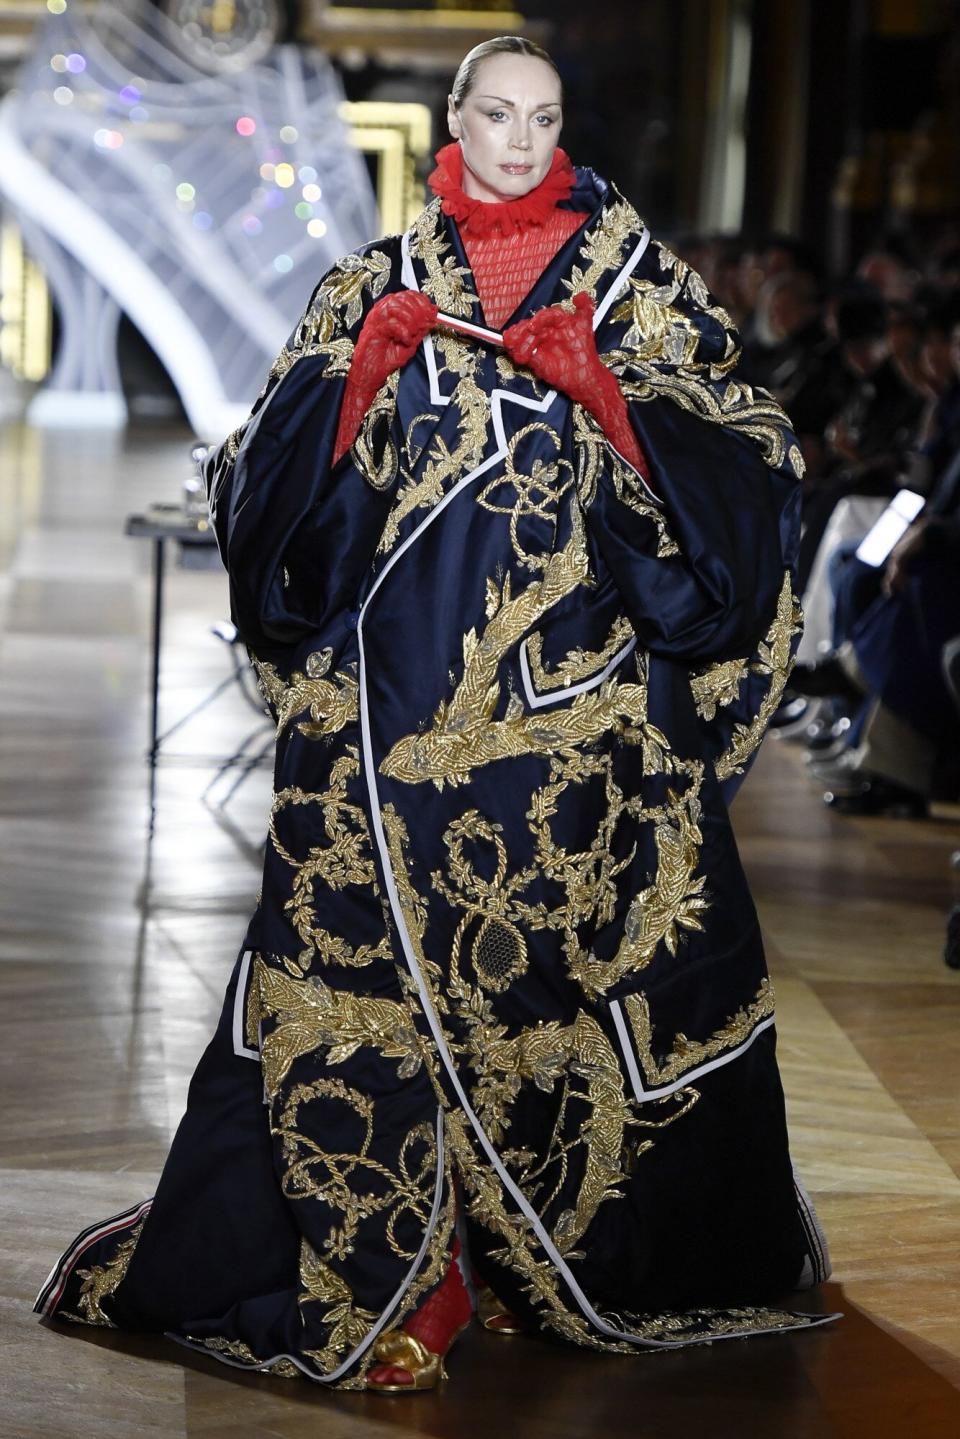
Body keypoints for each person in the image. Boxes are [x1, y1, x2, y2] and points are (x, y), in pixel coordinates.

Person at [35, 36, 834, 1393]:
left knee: (551, 992)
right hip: (379, 725)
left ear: (564, 127)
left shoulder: (645, 289)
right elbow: (264, 492)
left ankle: (542, 1257)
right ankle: (413, 1269)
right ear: (453, 120)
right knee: (364, 991)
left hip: (580, 733)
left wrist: (618, 410)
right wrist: (354, 383)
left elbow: (756, 466)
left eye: (546, 117)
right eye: (497, 114)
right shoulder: (374, 283)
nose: (522, 141)